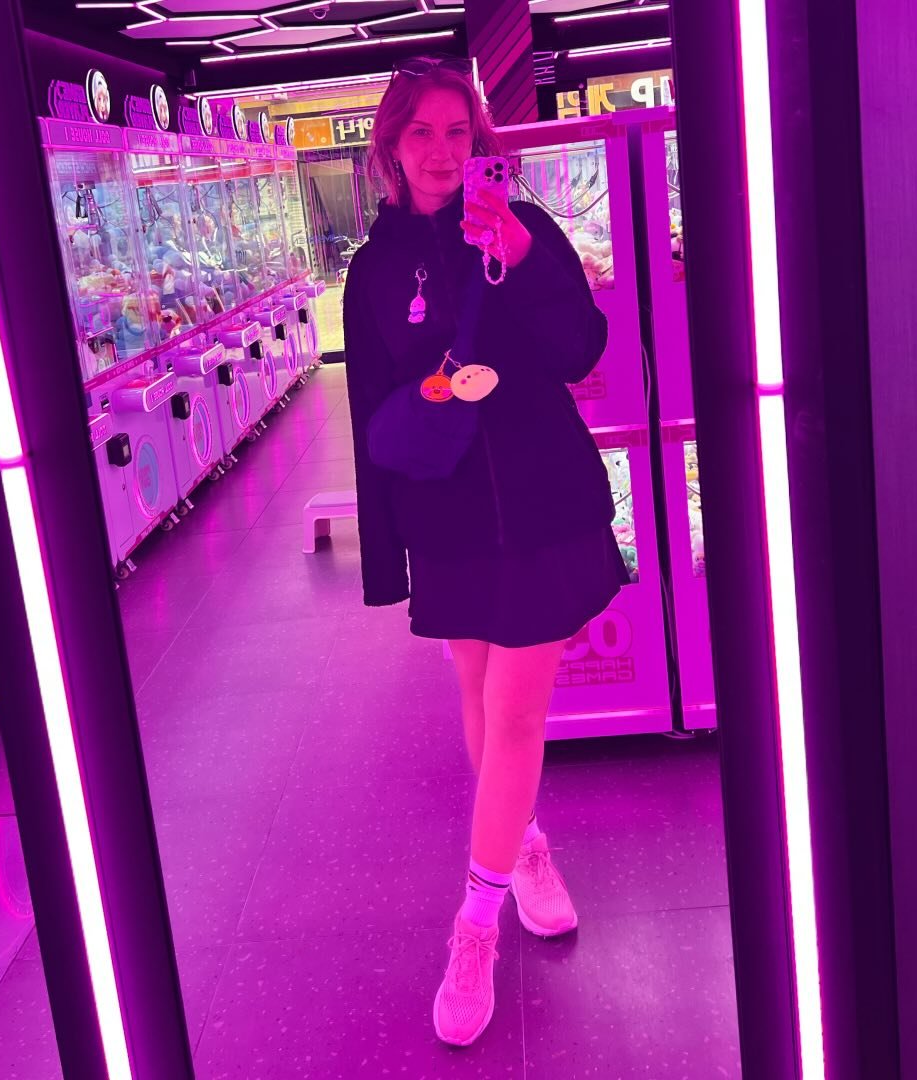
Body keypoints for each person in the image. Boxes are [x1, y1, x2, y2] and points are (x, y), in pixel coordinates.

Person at [342, 55, 631, 1047]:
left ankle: (474, 927)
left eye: (457, 131)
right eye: (420, 132)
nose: (440, 151)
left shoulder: (522, 226)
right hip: (447, 514)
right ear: (391, 146)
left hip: (542, 504)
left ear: (480, 142)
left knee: (514, 716)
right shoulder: (373, 270)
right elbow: (372, 411)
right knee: (475, 695)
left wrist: (521, 252)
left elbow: (580, 349)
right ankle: (527, 846)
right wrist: (387, 559)